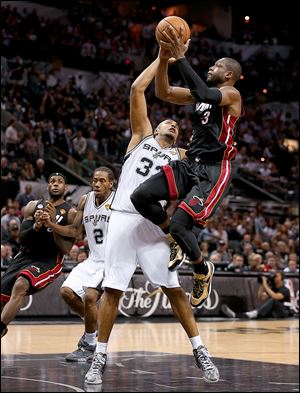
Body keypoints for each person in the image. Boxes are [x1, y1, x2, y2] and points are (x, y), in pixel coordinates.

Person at [84, 57, 219, 386]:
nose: (173, 125)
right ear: (154, 127)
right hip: (121, 219)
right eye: (167, 123)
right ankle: (99, 356)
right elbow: (136, 89)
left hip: (152, 223)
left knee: (173, 289)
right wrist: (162, 58)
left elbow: (204, 162)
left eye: (177, 125)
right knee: (112, 290)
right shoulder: (140, 138)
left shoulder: (180, 156)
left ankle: (200, 350)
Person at [131, 27, 242, 309]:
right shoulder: (201, 96)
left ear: (228, 74)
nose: (210, 66)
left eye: (216, 66)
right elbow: (163, 91)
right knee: (140, 196)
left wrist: (181, 57)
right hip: (189, 164)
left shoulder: (231, 94)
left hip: (214, 170)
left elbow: (204, 90)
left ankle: (201, 269)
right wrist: (163, 56)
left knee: (183, 222)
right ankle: (174, 238)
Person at [41, 167, 115, 362]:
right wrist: (51, 225)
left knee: (90, 296)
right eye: (94, 180)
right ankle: (95, 325)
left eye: (101, 180)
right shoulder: (85, 199)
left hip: (112, 261)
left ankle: (89, 345)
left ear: (111, 183)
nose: (97, 184)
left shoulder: (118, 201)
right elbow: (75, 231)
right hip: (92, 259)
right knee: (66, 292)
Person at [1, 173, 77, 338]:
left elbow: (66, 249)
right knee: (2, 298)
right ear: (48, 187)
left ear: (65, 188)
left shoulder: (70, 213)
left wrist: (52, 225)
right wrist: (36, 226)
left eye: (60, 182)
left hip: (49, 260)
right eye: (52, 181)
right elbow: (23, 239)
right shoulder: (32, 206)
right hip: (25, 256)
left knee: (21, 284)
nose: (55, 184)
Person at [221, 271, 291, 319]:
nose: (274, 277)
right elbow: (261, 298)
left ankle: (254, 313)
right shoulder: (272, 288)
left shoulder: (285, 289)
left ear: (281, 278)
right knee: (261, 313)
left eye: (276, 276)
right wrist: (262, 286)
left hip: (284, 312)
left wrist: (265, 285)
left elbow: (275, 297)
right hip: (274, 313)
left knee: (273, 300)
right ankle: (235, 315)